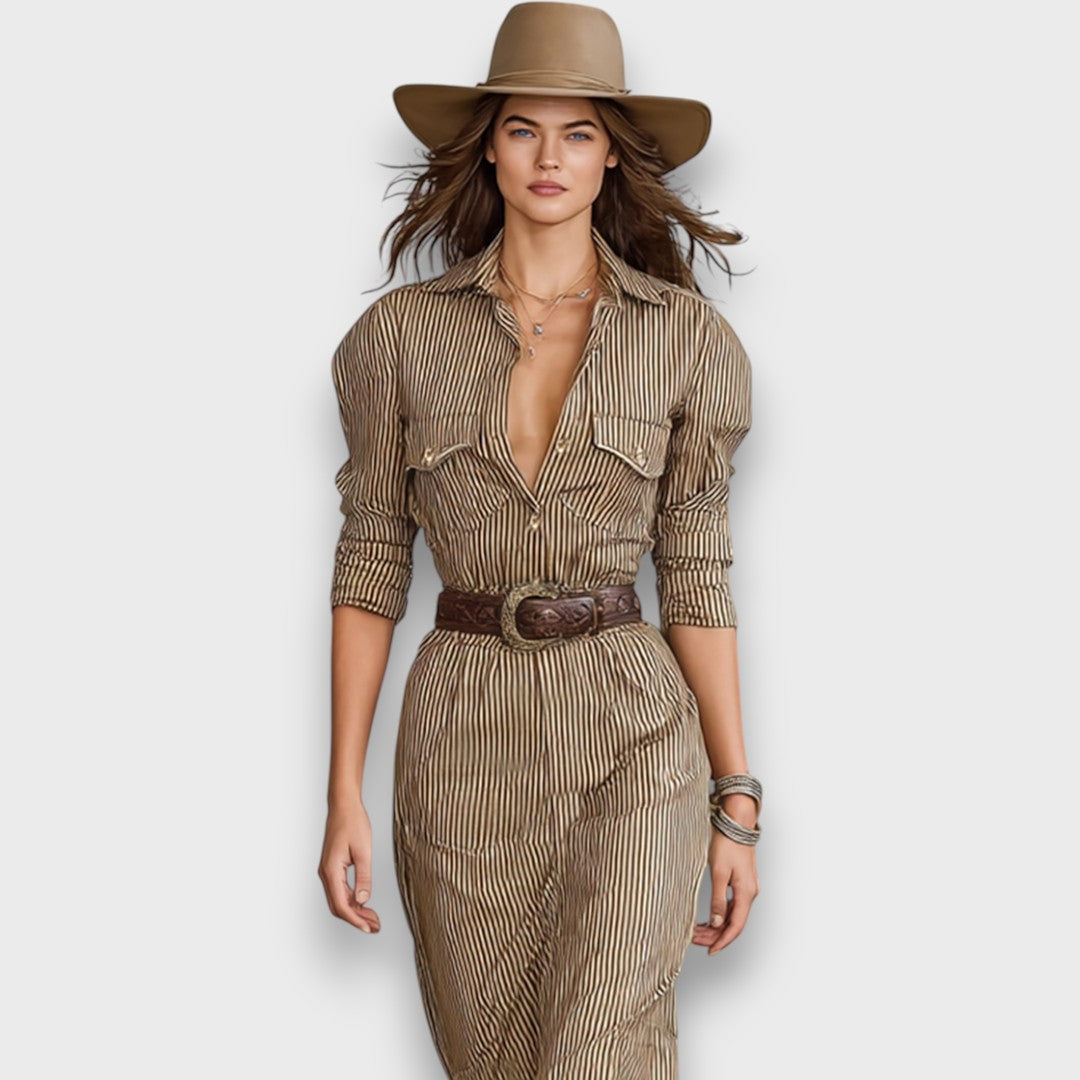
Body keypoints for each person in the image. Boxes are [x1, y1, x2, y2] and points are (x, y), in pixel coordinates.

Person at [317, 3, 763, 1075]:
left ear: (612, 156)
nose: (549, 157)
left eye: (578, 133)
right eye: (523, 129)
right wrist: (342, 793)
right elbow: (370, 562)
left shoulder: (689, 341)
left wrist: (736, 798)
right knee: (494, 1059)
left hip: (632, 726)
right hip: (460, 728)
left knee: (601, 1052)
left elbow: (697, 574)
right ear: (490, 149)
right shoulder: (394, 340)